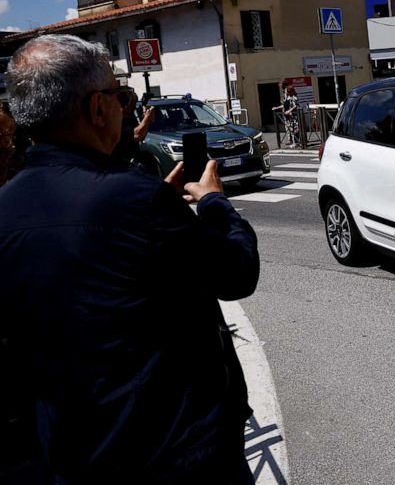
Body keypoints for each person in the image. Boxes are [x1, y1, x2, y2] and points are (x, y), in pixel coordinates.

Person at [0, 35, 259, 484]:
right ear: (98, 108)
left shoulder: (6, 206)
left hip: (69, 452)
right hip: (176, 453)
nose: (127, 108)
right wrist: (215, 204)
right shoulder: (136, 201)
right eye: (122, 96)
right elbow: (235, 272)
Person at [281, 83, 300, 147]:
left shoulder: (294, 97)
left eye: (288, 92)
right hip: (291, 116)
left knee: (295, 129)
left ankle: (297, 143)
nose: (287, 93)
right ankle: (295, 142)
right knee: (292, 130)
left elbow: (295, 106)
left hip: (295, 116)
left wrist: (289, 111)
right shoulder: (289, 97)